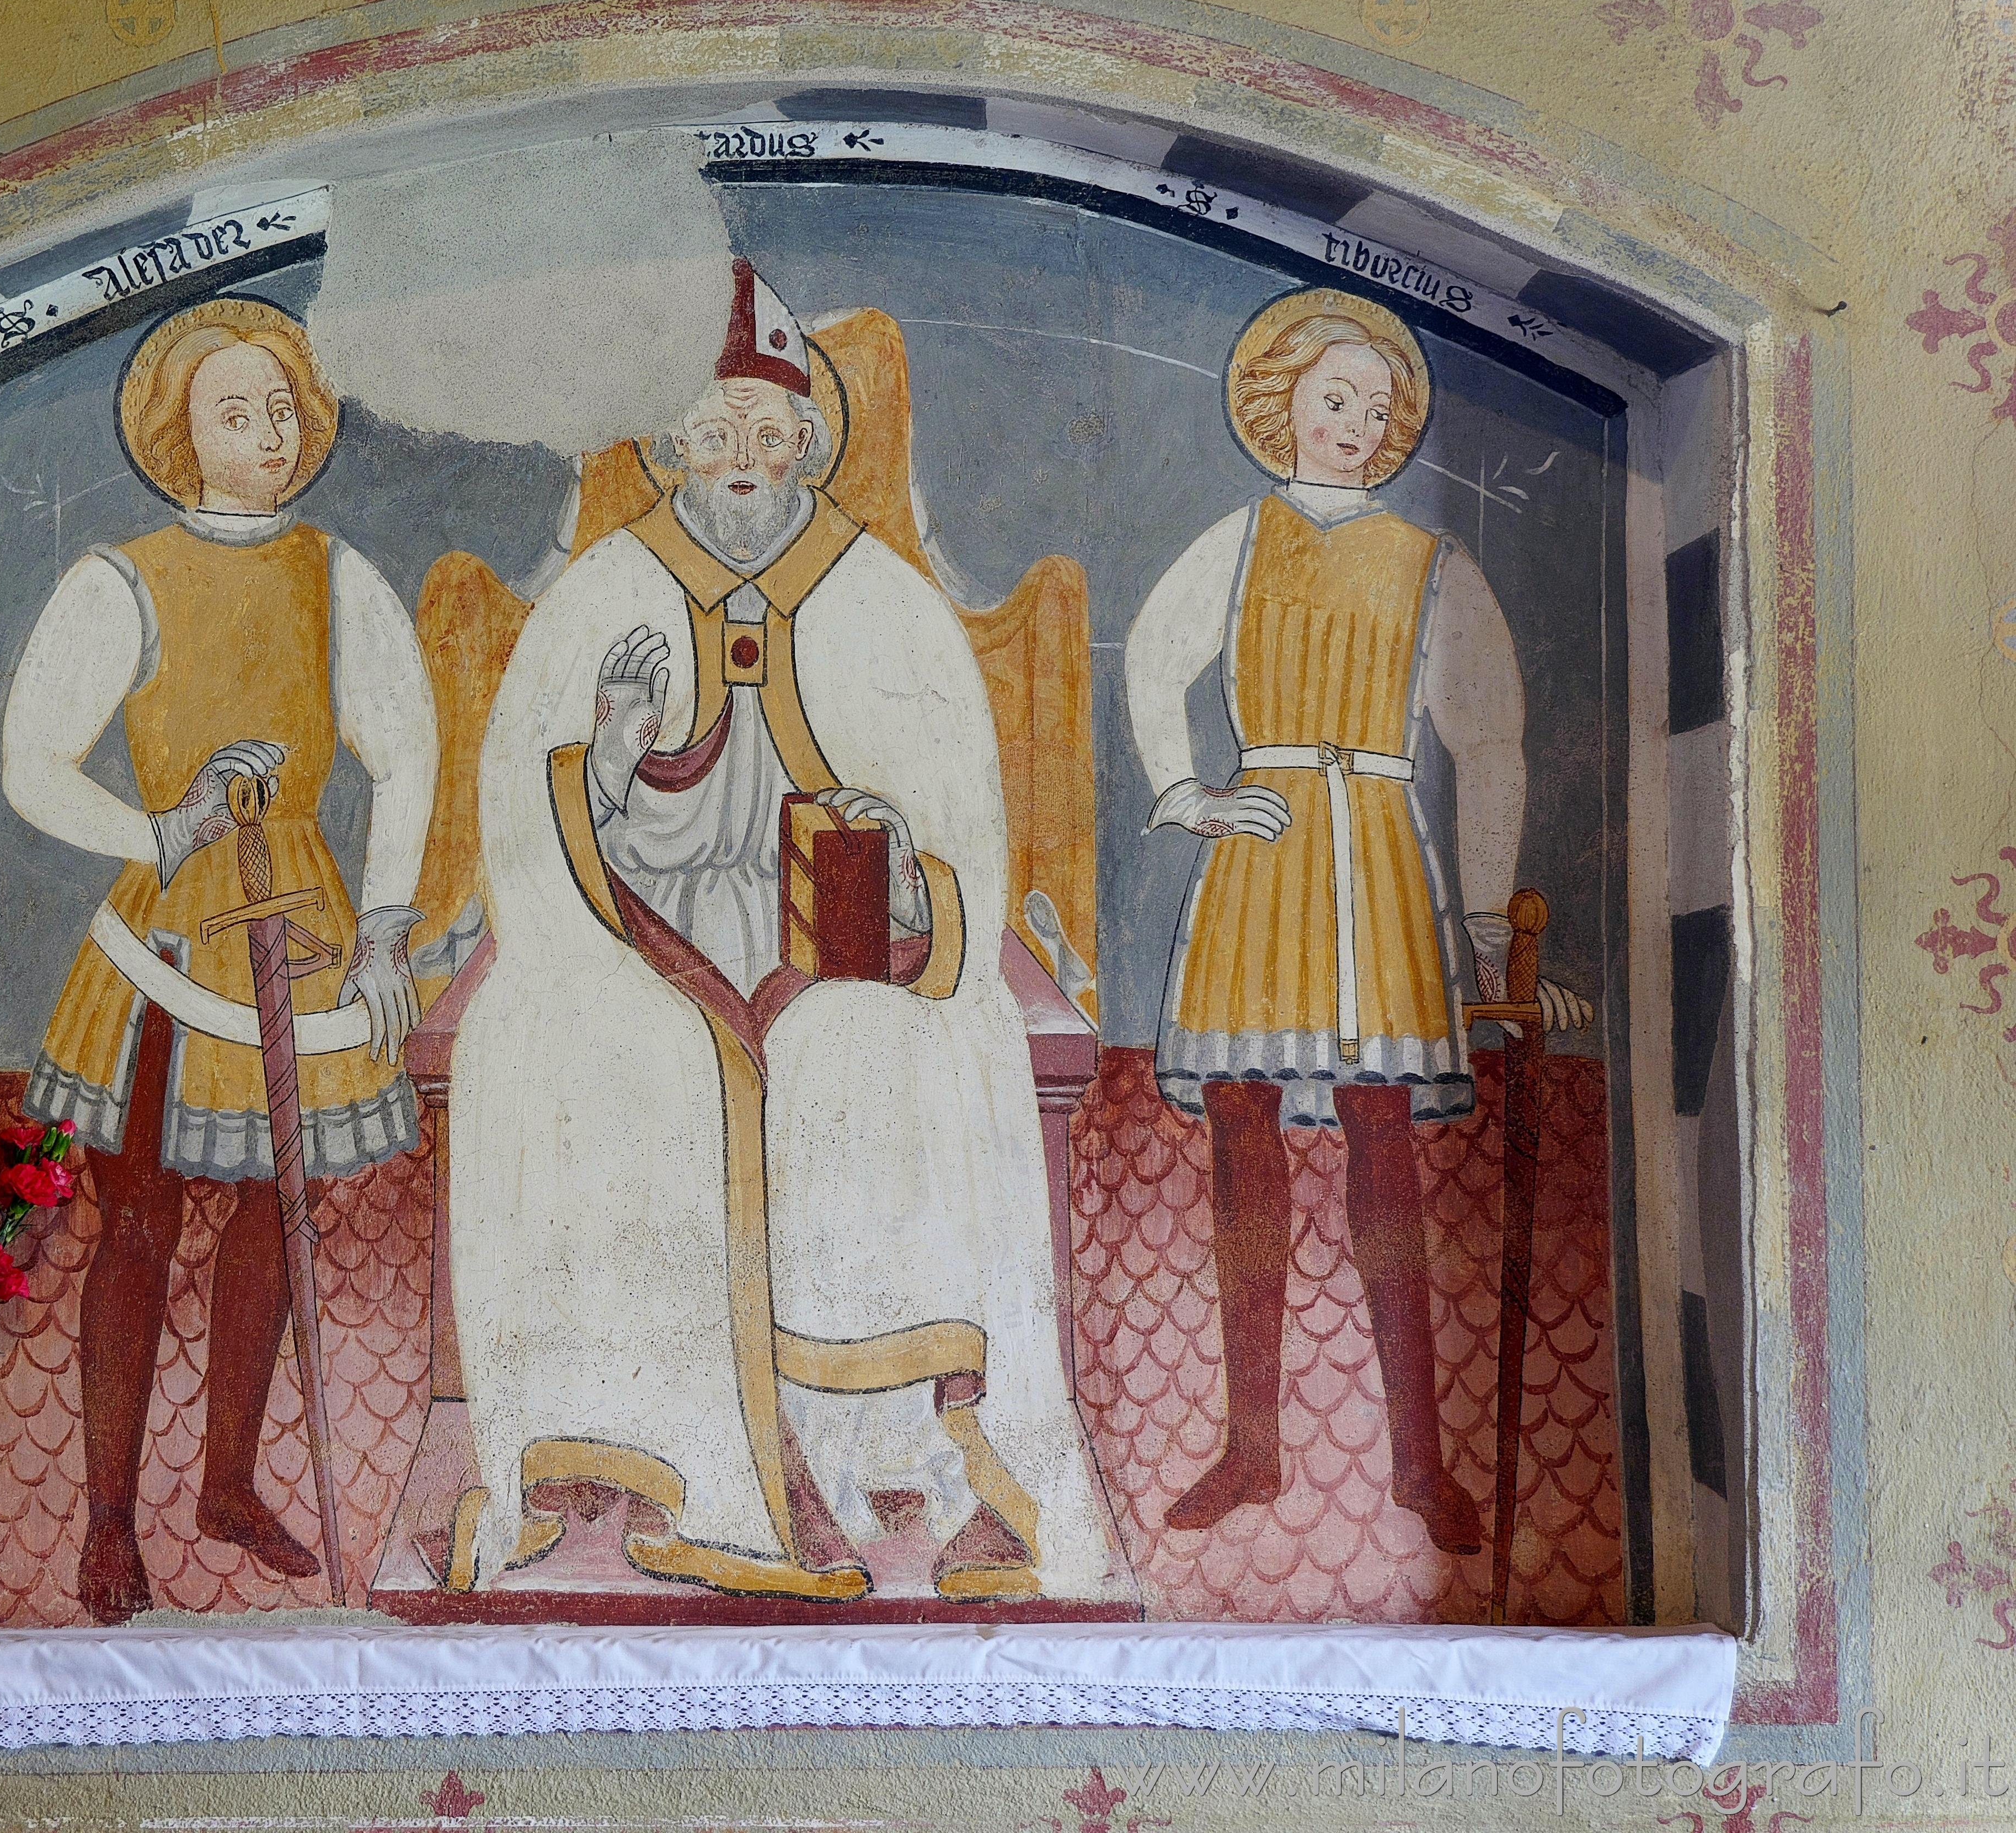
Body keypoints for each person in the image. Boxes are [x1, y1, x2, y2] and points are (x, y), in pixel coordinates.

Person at [444, 260, 1113, 1601]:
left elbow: (961, 826)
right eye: (713, 433)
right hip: (634, 940)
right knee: (565, 1046)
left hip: (847, 949)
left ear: (812, 441)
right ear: (670, 447)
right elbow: (526, 819)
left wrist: (908, 881)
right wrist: (616, 762)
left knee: (911, 1049)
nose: (742, 460)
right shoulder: (600, 595)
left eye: (768, 433)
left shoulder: (884, 600)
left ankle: (890, 1434)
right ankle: (658, 1443)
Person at [1123, 287, 1592, 1557]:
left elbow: (1490, 745)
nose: (1356, 423)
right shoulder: (1236, 543)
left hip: (1381, 852)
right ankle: (1252, 1449)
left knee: (1387, 1145)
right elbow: (1151, 661)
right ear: (1283, 407)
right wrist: (1189, 796)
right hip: (1265, 847)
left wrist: (1489, 927)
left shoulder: (1432, 562)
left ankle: (1418, 1463)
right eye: (1336, 399)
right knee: (1242, 1134)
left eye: (1378, 409)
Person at [0, 296, 437, 1622]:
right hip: (172, 935)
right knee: (137, 1223)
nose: (266, 433)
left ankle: (230, 1481)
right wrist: (160, 822)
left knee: (272, 1215)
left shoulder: (335, 575)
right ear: (178, 438)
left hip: (296, 921)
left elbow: (408, 752)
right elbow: (29, 762)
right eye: (233, 413)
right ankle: (113, 1520)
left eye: (281, 409)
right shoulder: (119, 580)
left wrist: (382, 931)